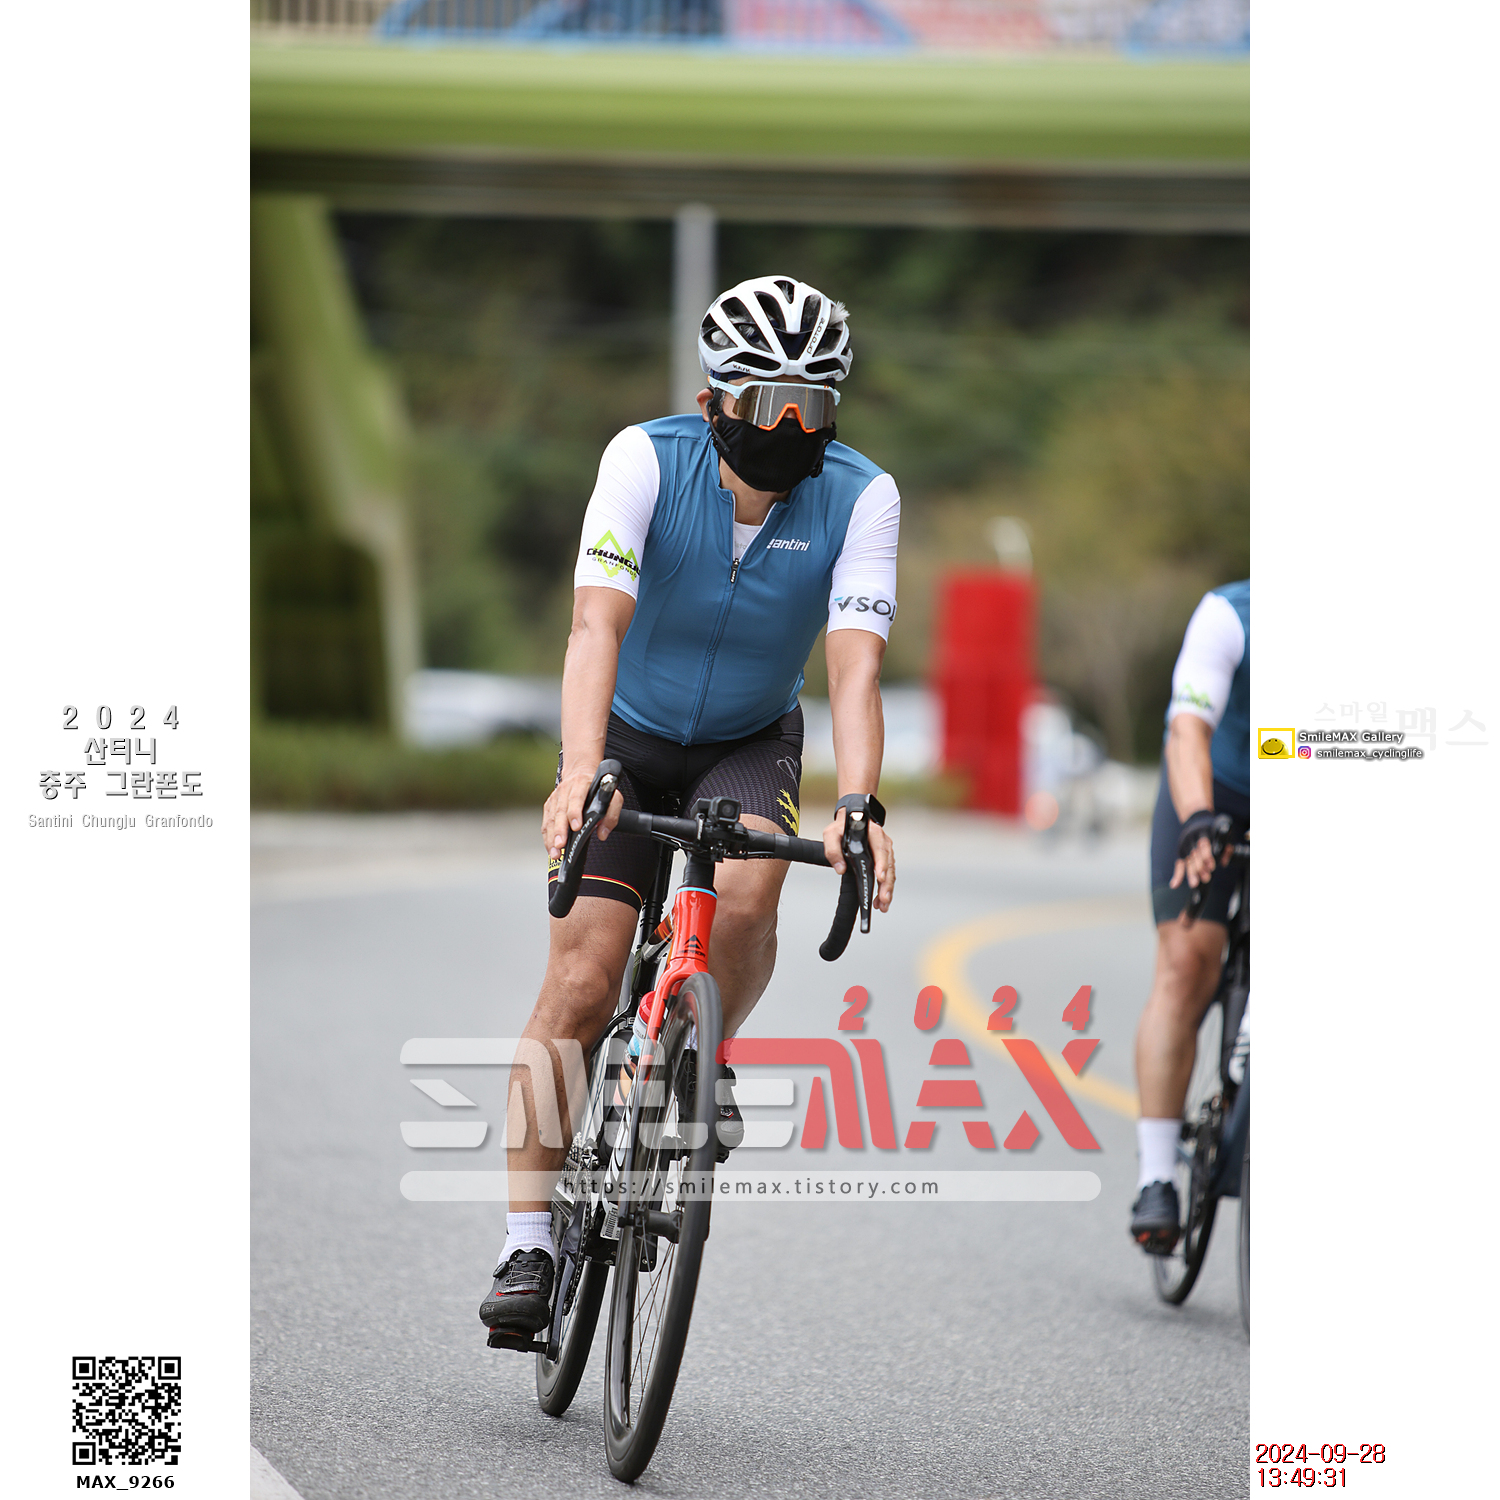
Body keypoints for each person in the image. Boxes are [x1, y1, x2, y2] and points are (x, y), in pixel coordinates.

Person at [481, 276, 900, 1336]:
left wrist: (859, 803)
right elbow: (595, 624)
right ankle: (527, 1242)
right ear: (715, 401)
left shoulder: (863, 496)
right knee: (581, 982)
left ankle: (701, 1053)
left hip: (750, 739)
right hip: (625, 733)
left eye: (813, 404)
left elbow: (854, 667)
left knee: (751, 892)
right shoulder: (644, 460)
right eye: (767, 404)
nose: (790, 427)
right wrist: (581, 771)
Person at [1130, 581, 1249, 1252]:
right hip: (1211, 790)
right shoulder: (1229, 615)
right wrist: (1199, 819)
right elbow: (1187, 732)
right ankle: (1157, 1175)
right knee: (1186, 965)